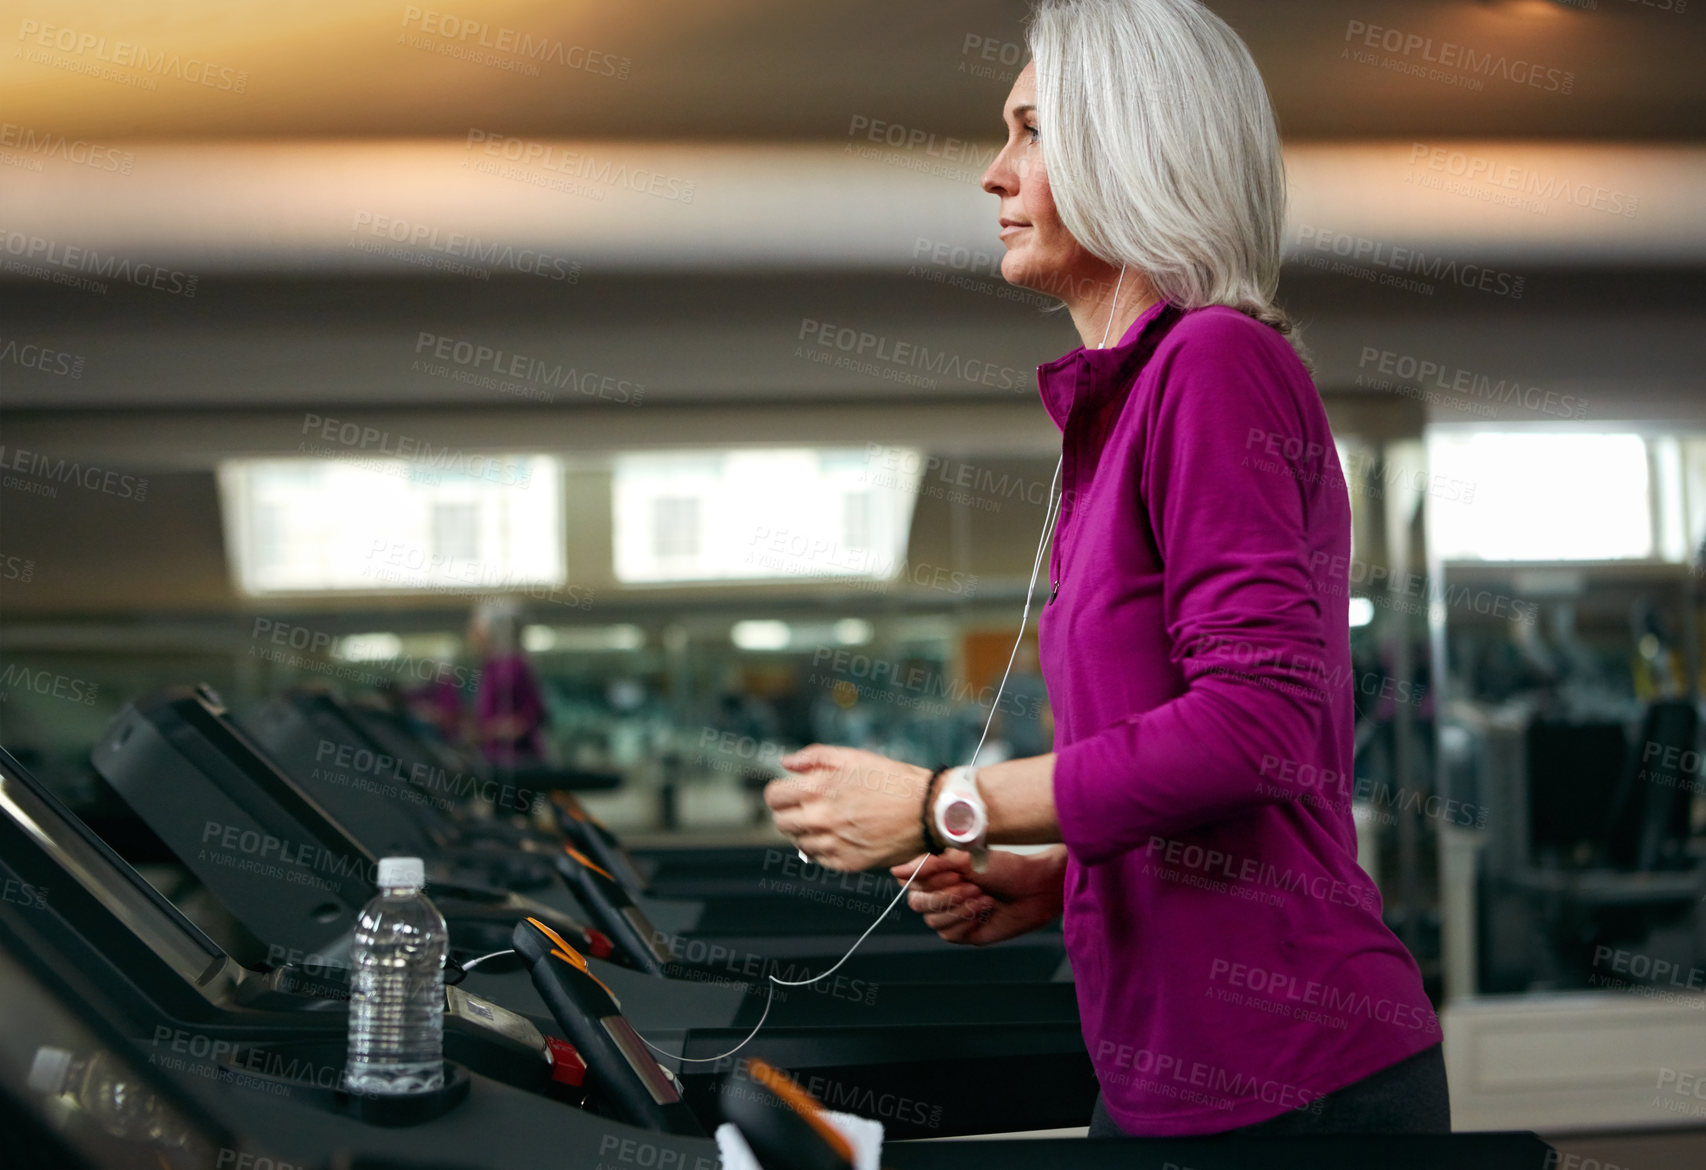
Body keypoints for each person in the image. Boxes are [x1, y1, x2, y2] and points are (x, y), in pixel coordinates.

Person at [763, 0, 1448, 1139]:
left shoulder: (1213, 362)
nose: (993, 173)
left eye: (1029, 130)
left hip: (1287, 1081)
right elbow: (1181, 763)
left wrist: (946, 805)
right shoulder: (1125, 408)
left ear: (1130, 149)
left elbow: (1255, 726)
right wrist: (1063, 876)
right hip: (1158, 1070)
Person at [467, 598, 548, 770]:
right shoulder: (488, 667)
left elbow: (534, 712)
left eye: (477, 628)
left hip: (517, 760)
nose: (472, 635)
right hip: (493, 758)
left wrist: (501, 729)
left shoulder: (513, 666)